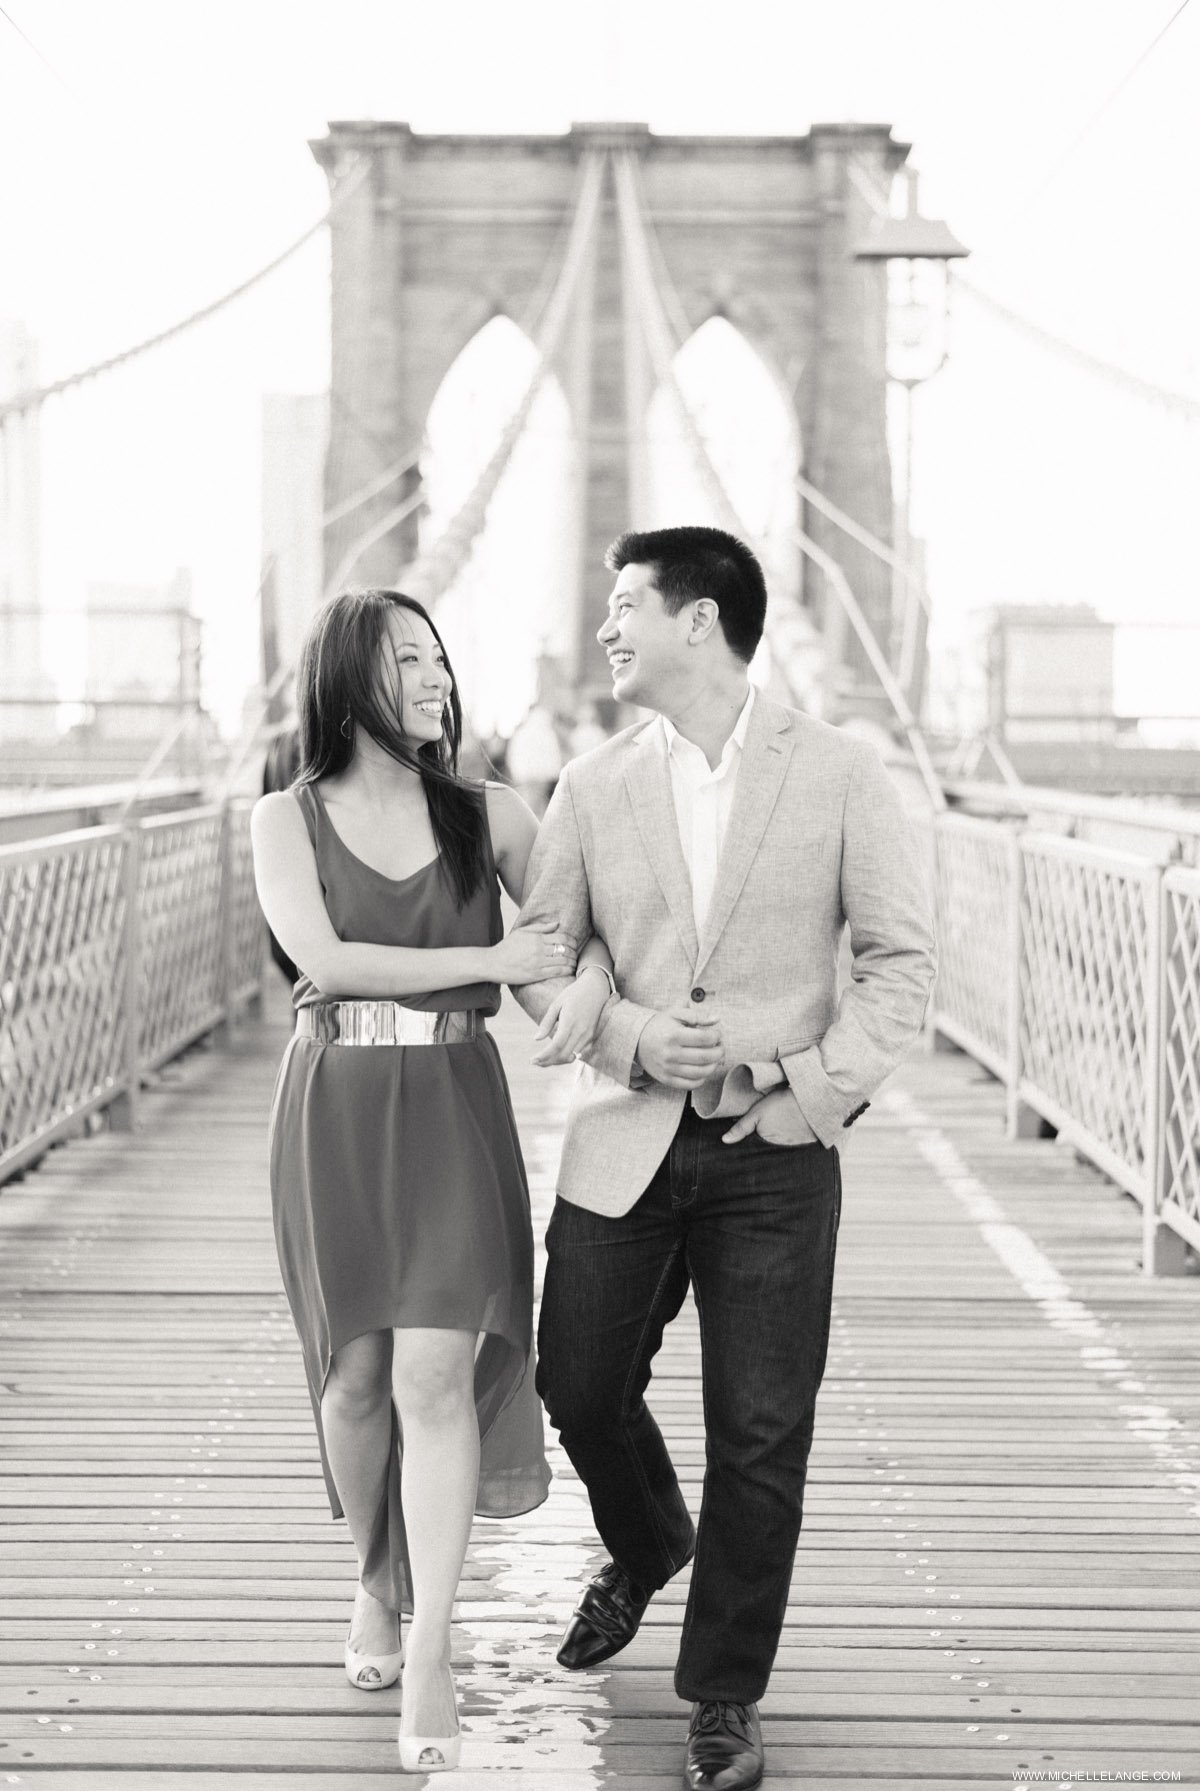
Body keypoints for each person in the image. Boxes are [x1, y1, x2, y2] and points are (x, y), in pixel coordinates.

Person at [514, 526, 937, 1791]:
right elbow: (545, 959)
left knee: (761, 1431)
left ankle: (724, 1698)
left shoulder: (847, 774)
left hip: (778, 1149)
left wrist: (812, 1094)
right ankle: (647, 1542)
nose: (606, 628)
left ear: (699, 621)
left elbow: (900, 966)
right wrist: (639, 1036)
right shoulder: (588, 786)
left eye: (626, 605)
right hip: (627, 1143)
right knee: (575, 1383)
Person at [250, 589, 613, 1773]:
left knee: (433, 1378)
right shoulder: (282, 821)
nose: (436, 680)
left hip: (454, 1108)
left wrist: (588, 1001)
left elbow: (570, 931)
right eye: (408, 660)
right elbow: (327, 957)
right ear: (350, 673)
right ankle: (374, 1579)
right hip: (336, 1110)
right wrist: (490, 956)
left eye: (441, 660)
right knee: (354, 1380)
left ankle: (433, 1649)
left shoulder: (489, 812)